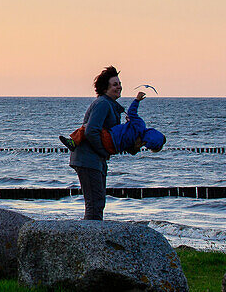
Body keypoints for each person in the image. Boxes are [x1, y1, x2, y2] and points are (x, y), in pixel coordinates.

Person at [68, 65, 124, 220]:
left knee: (98, 202)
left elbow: (110, 133)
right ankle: (89, 240)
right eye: (115, 84)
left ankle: (92, 238)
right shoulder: (103, 104)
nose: (119, 87)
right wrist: (103, 151)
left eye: (119, 83)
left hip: (96, 159)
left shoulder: (110, 105)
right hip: (87, 158)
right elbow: (91, 131)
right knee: (95, 203)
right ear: (105, 88)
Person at [60, 91, 165, 155]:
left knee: (88, 127)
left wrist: (137, 100)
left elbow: (131, 112)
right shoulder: (139, 143)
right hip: (113, 149)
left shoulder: (140, 125)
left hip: (110, 138)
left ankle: (73, 141)